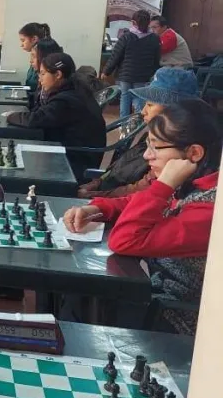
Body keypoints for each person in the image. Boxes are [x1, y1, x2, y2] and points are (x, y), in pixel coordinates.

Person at [62, 99, 221, 335]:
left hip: (173, 319)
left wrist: (164, 185)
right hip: (152, 291)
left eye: (156, 147)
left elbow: (125, 240)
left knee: (80, 297)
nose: (147, 155)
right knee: (76, 291)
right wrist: (97, 209)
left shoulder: (210, 210)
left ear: (194, 153)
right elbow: (138, 202)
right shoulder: (188, 182)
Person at [78, 67, 200, 199]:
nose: (143, 111)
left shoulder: (175, 151)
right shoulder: (151, 136)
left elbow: (139, 191)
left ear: (174, 111)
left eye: (150, 105)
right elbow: (117, 171)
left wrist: (93, 196)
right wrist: (95, 185)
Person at [7, 53, 106, 180]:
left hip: (75, 159)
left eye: (43, 74)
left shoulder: (66, 100)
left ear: (58, 75)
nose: (39, 79)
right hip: (76, 151)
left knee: (19, 168)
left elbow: (35, 119)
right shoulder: (74, 88)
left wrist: (10, 116)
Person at [103, 10, 161, 119]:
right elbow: (156, 59)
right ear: (149, 23)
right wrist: (153, 73)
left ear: (133, 22)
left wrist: (106, 71)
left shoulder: (126, 37)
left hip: (126, 75)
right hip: (143, 75)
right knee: (139, 98)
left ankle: (123, 123)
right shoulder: (154, 38)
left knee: (125, 97)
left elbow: (115, 56)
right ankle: (138, 122)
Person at [27, 38, 63, 110]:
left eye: (34, 56)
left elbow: (41, 116)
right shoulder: (44, 82)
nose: (31, 61)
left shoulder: (56, 89)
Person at [18, 23, 51, 90]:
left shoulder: (45, 60)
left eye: (23, 40)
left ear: (34, 39)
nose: (21, 45)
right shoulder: (35, 61)